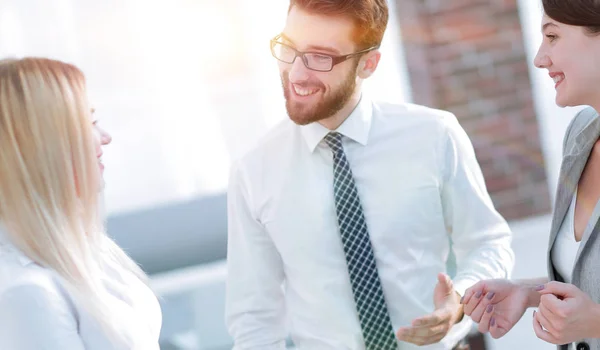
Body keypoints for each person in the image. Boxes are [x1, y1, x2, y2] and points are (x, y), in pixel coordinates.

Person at [225, 1, 514, 349]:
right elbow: (253, 316)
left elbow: (488, 242)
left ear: (368, 63)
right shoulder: (254, 170)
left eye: (320, 57)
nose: (298, 73)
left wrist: (461, 300)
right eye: (289, 48)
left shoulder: (434, 135)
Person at [460, 1, 600, 349]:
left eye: (552, 37)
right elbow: (588, 278)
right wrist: (527, 292)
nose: (539, 58)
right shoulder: (580, 135)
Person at [0, 57, 162, 349]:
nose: (106, 137)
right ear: (46, 144)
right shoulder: (25, 293)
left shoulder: (79, 247)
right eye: (90, 122)